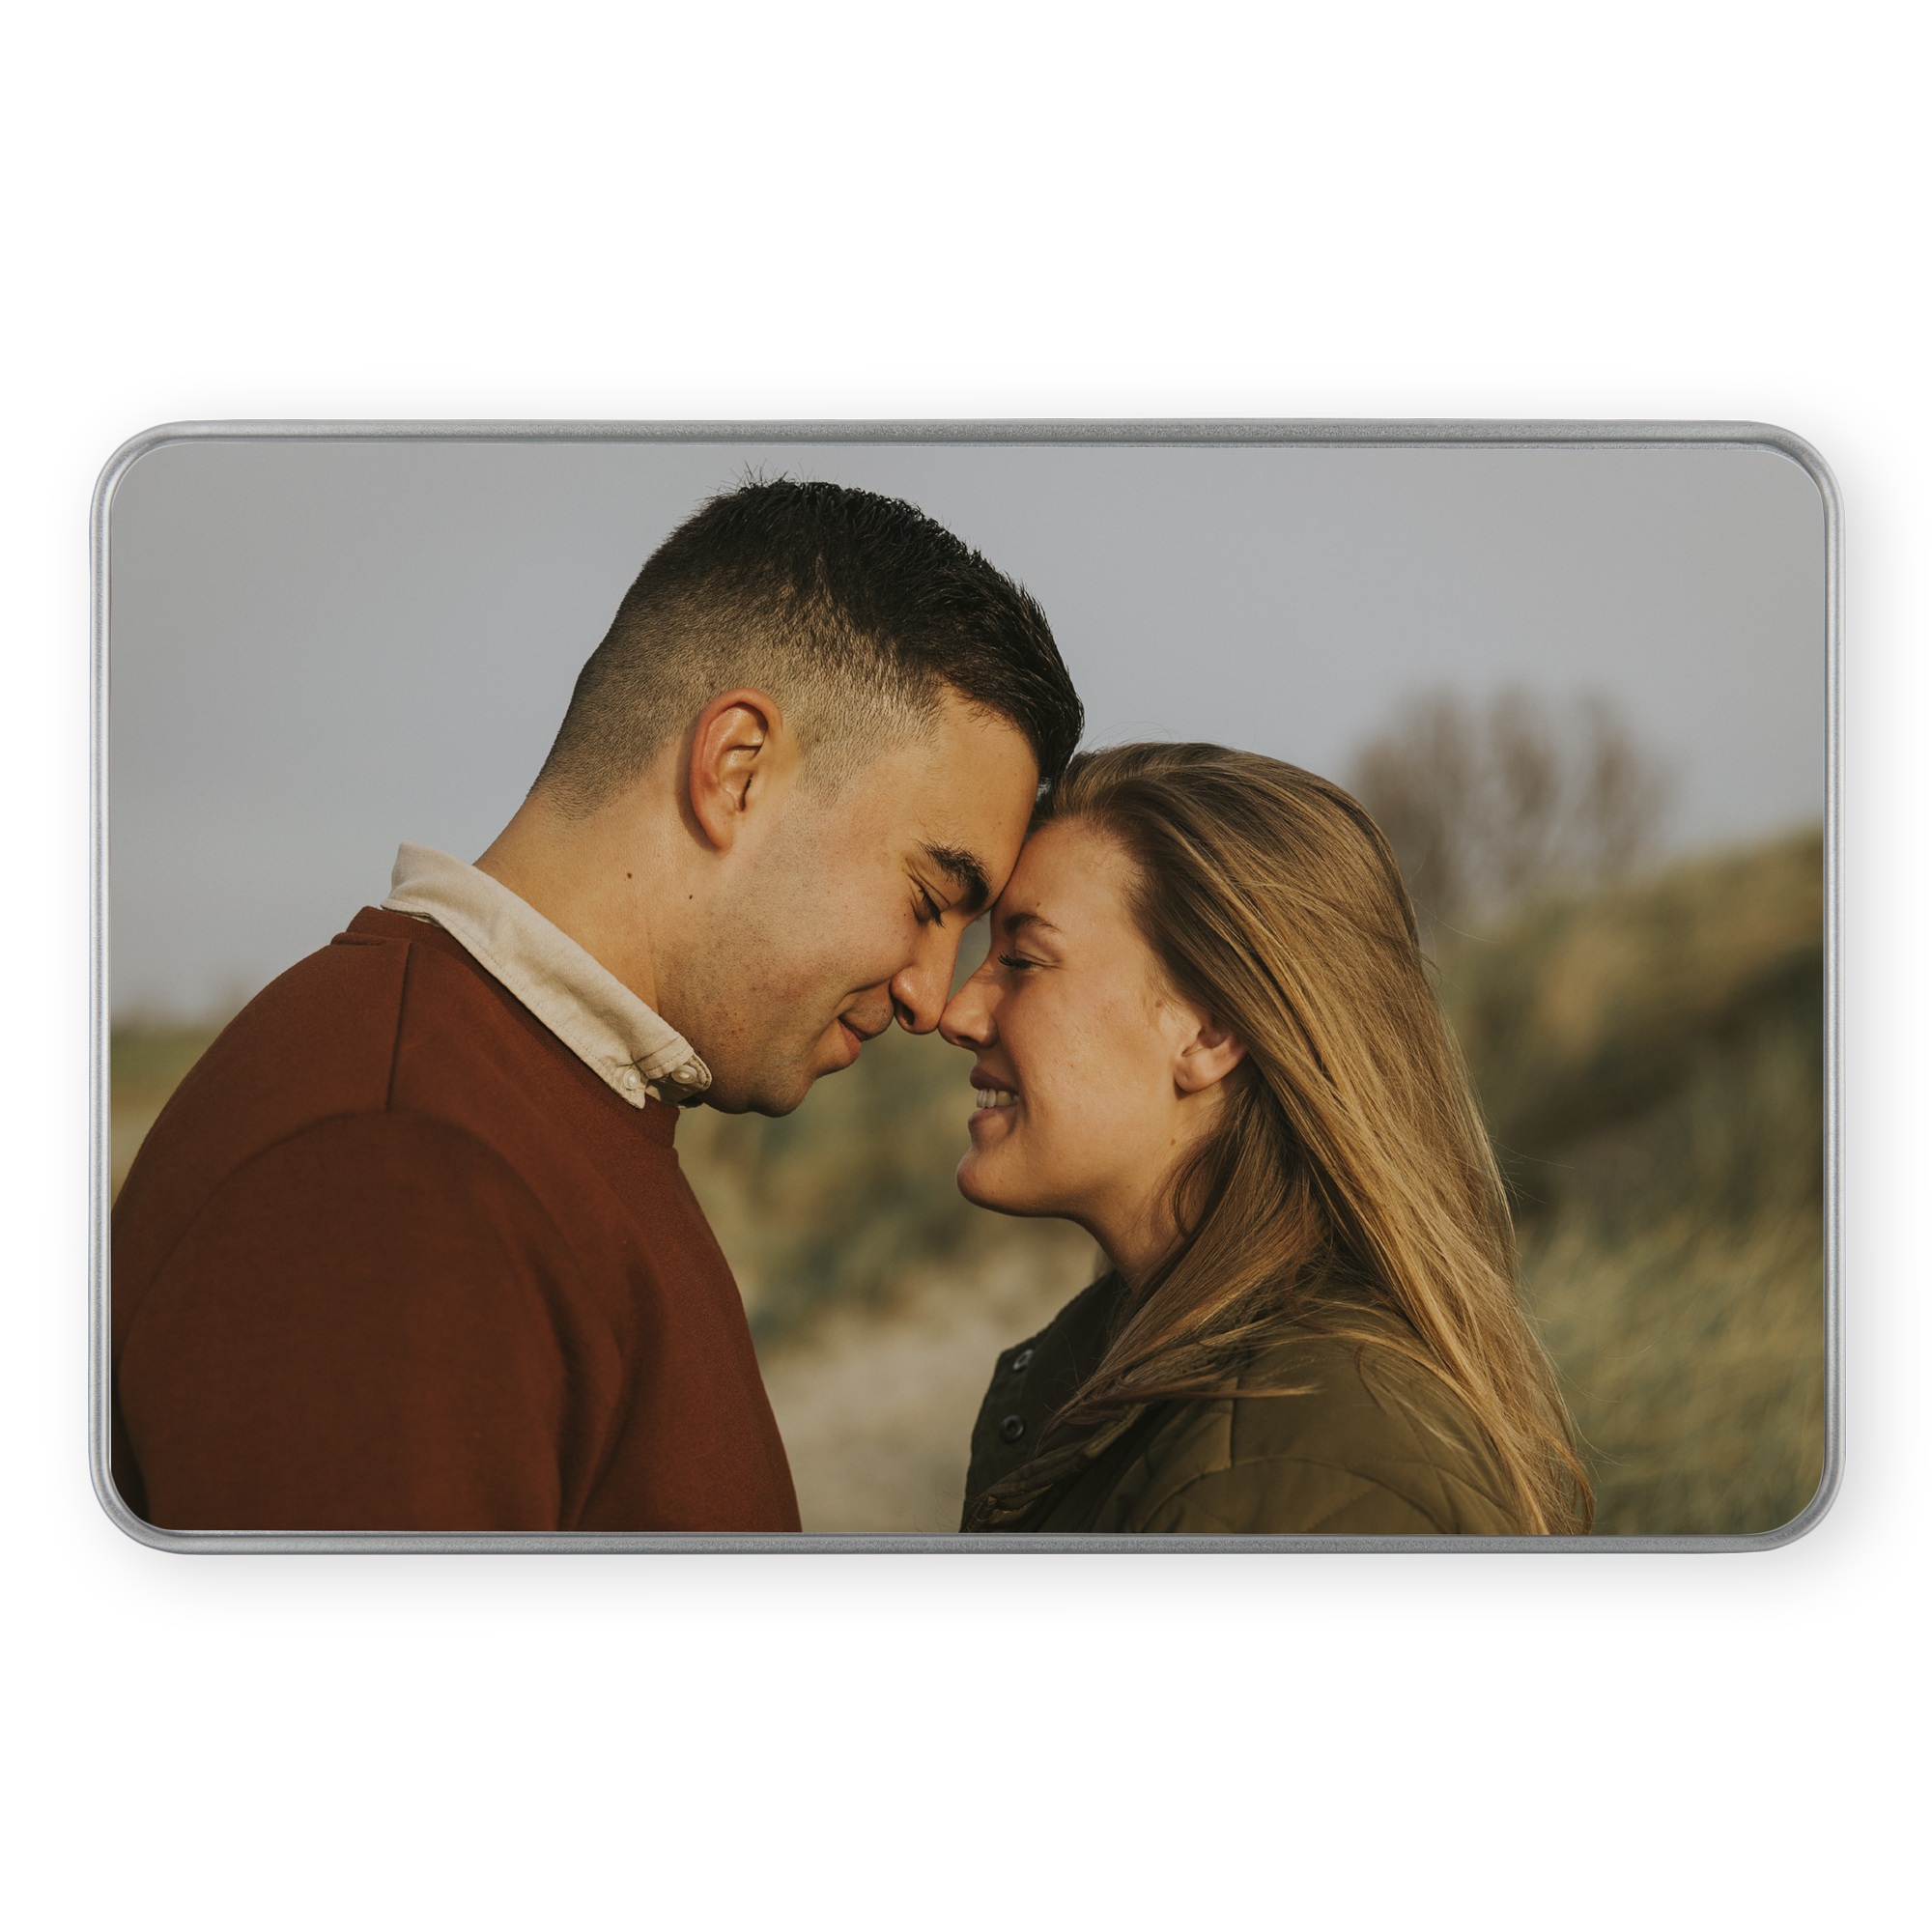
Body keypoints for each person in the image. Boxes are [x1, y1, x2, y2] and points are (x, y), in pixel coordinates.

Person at [111, 478, 1083, 1533]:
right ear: (736, 770)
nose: (928, 998)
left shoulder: (546, 1106)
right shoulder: (394, 1164)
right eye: (930, 897)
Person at [939, 742, 1592, 1535]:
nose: (958, 1013)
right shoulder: (1188, 1390)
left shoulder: (1309, 1465)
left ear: (1209, 1028)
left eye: (1022, 958)